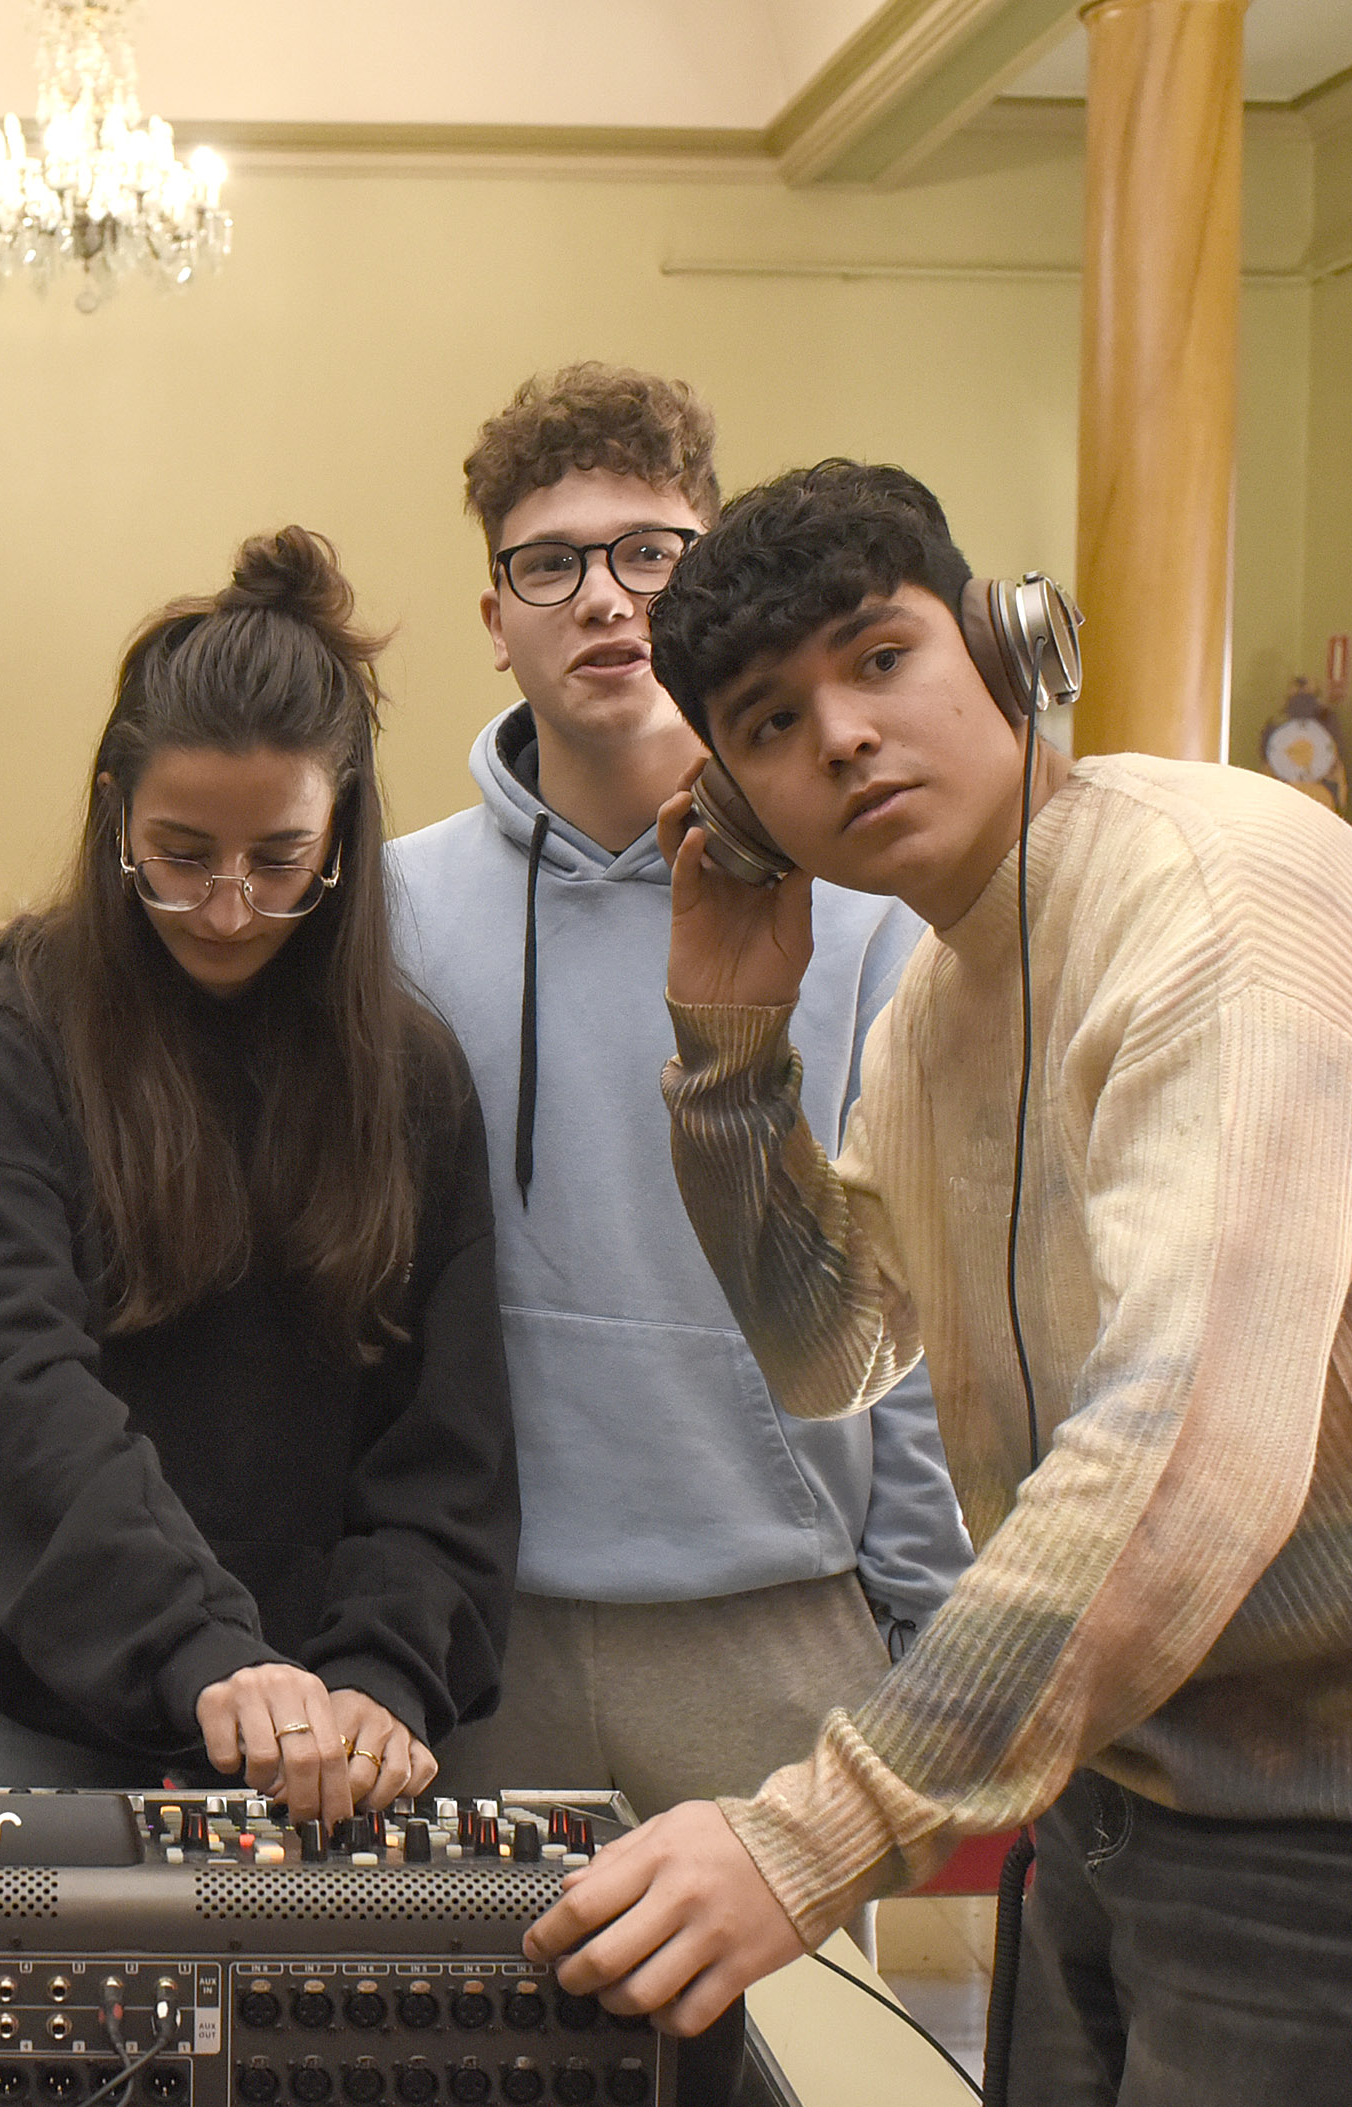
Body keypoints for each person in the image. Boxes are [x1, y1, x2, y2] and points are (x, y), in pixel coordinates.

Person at [524, 459, 1352, 2107]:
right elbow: (839, 1351)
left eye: (881, 657)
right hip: (1138, 1771)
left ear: (1004, 641)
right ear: (742, 798)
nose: (851, 739)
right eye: (777, 726)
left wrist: (816, 1831)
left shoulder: (1222, 911)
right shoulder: (941, 1003)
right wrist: (726, 1046)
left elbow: (1188, 1455)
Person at [391, 365, 969, 1813]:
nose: (605, 598)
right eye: (552, 562)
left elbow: (915, 1282)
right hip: (480, 1629)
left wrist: (918, 1619)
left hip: (778, 1624)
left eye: (652, 553)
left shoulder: (861, 899)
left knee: (786, 2051)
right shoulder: (390, 912)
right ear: (495, 616)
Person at [0, 528, 517, 1818]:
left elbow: (445, 1437)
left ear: (342, 839)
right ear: (117, 809)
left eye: (278, 861)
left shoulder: (411, 1072)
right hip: (53, 1682)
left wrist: (382, 1672)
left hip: (322, 1710)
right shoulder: (17, 1046)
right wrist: (204, 1651)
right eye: (181, 856)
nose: (228, 908)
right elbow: (30, 1391)